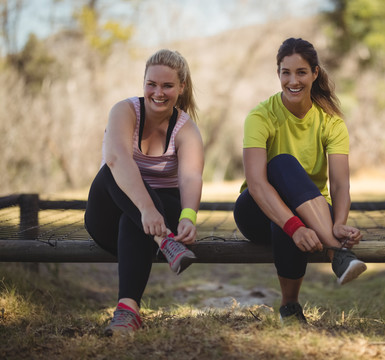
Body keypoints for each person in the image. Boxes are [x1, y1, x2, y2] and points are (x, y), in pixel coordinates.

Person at [233, 38, 367, 323]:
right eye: (286, 72)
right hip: (256, 209)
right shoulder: (260, 116)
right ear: (278, 74)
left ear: (315, 73)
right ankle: (338, 255)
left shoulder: (331, 122)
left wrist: (340, 222)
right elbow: (256, 184)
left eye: (301, 72)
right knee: (281, 163)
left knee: (295, 211)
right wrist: (295, 228)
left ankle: (290, 308)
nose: (293, 81)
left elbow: (341, 185)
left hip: (314, 215)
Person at [84, 49, 204, 336]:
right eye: (152, 84)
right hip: (115, 221)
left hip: (156, 220)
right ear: (144, 83)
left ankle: (127, 313)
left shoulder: (186, 129)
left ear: (181, 87)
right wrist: (148, 211)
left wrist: (188, 217)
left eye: (167, 85)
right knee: (111, 172)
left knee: (134, 220)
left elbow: (190, 177)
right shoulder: (124, 111)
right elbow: (116, 158)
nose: (158, 92)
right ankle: (163, 240)